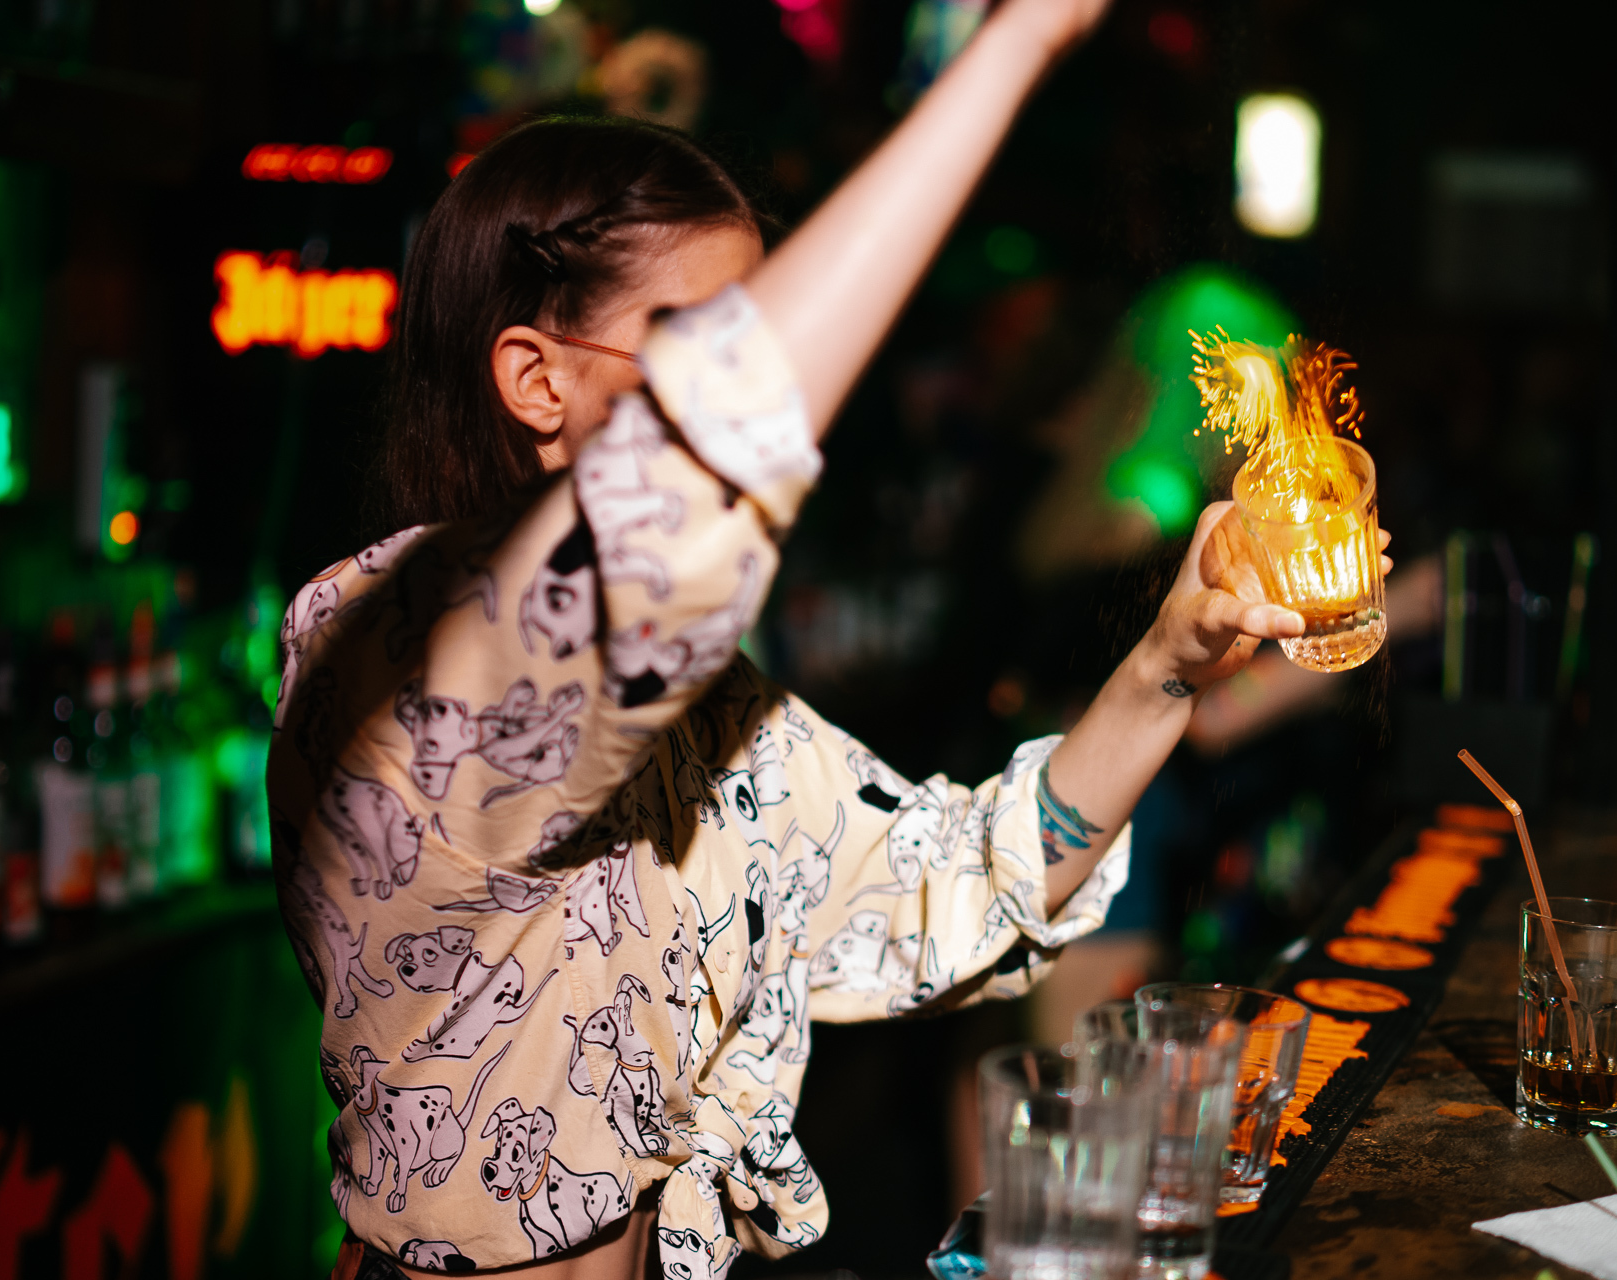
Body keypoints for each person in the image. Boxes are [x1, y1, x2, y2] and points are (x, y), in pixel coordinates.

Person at [268, 1, 1387, 1276]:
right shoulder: (389, 650)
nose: (776, 373)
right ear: (535, 379)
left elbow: (957, 885)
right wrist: (1014, 46)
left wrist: (1168, 664)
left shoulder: (711, 720)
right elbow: (699, 464)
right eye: (702, 339)